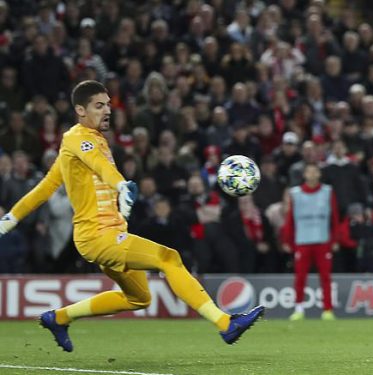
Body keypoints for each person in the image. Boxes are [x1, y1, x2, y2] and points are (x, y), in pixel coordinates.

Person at [0, 81, 263, 353]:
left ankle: (59, 318)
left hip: (101, 236)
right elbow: (101, 168)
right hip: (100, 236)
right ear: (80, 109)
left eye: (109, 105)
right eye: (99, 106)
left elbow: (45, 188)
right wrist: (121, 185)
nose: (107, 111)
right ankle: (225, 323)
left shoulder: (83, 145)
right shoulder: (76, 138)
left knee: (138, 298)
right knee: (169, 258)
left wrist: (10, 219)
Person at [282, 163, 339, 321]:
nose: (312, 175)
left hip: (322, 240)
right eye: (309, 172)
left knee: (326, 277)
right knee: (300, 277)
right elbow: (290, 218)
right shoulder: (296, 193)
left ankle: (327, 310)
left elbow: (334, 217)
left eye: (315, 172)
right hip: (303, 241)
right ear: (305, 175)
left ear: (319, 174)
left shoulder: (328, 192)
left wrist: (335, 238)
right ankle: (299, 309)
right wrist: (287, 239)